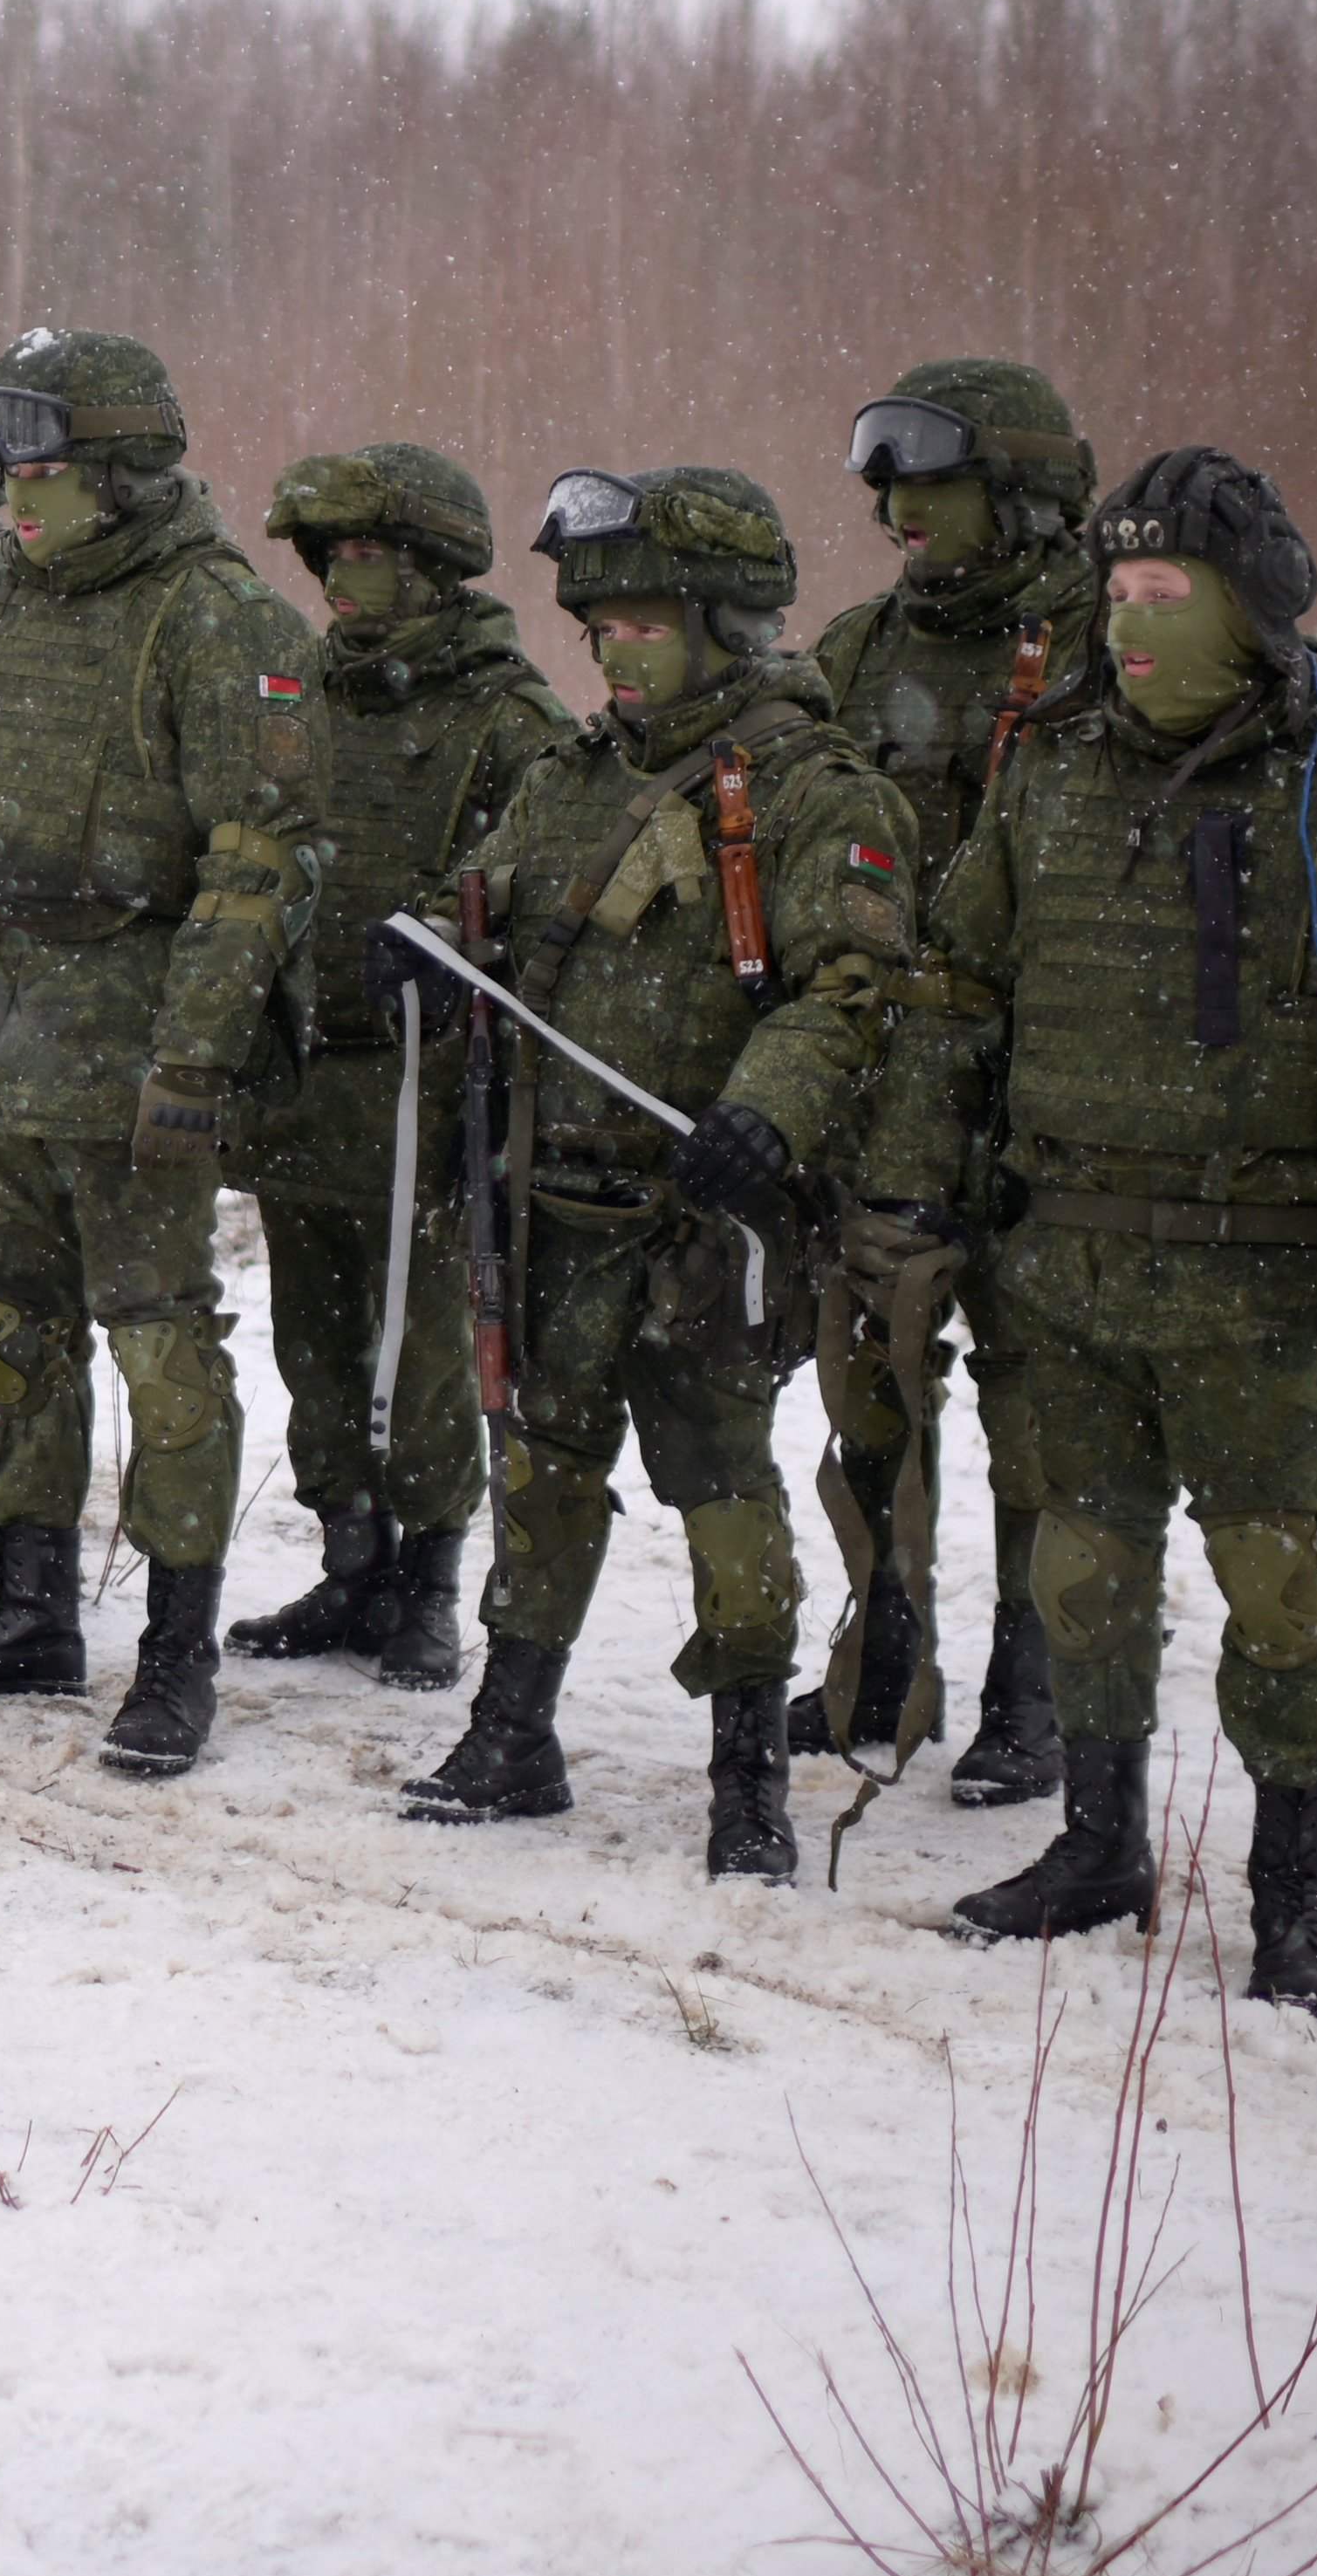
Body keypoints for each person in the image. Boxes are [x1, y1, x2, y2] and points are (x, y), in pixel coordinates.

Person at [863, 451, 1317, 2013]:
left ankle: (1294, 1894)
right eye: (1120, 597)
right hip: (1063, 1255)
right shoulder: (1053, 768)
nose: (1132, 628)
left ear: (1252, 608)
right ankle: (1101, 1845)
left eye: (1168, 598)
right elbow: (958, 991)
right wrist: (917, 1177)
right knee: (1084, 1564)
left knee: (1276, 1583)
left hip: (1255, 1271)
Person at [368, 465, 918, 1878]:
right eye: (596, 624)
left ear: (729, 624)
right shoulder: (570, 774)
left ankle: (749, 1780)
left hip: (704, 1213)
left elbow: (848, 989)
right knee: (541, 1473)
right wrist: (426, 948)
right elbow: (486, 908)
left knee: (725, 1491)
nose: (610, 650)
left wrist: (769, 1114)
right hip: (548, 1200)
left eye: (643, 624)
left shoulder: (812, 787)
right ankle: (513, 1731)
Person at [0, 329, 327, 1774]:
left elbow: (260, 863)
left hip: (131, 1034)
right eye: (8, 473)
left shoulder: (218, 620)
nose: (17, 499)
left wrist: (194, 1058)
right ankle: (32, 1611)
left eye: (44, 473)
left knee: (164, 1347)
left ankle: (177, 1653)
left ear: (121, 472)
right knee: (12, 1336)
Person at [800, 359, 1105, 1803]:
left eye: (933, 486)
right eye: (888, 489)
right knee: (873, 1389)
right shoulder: (860, 652)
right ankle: (877, 1656)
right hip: (887, 1087)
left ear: (1025, 493)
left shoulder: (1119, 642)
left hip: (1057, 1085)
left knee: (1040, 1412)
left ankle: (1034, 1702)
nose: (898, 513)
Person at [223, 444, 573, 1692]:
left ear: (430, 566)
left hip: (431, 1083)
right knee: (313, 1345)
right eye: (333, 559)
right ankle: (349, 1562)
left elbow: (549, 884)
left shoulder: (505, 716)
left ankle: (427, 1585)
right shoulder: (298, 694)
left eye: (368, 555)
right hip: (304, 1072)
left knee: (422, 1348)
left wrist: (441, 939)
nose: (344, 580)